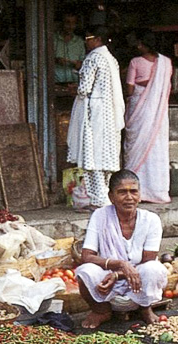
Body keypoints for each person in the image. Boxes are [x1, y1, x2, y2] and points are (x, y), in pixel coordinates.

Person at [75, 169, 169, 329]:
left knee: (153, 269)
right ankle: (101, 311)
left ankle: (145, 308)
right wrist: (120, 265)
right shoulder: (100, 216)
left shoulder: (151, 220)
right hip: (106, 281)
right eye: (122, 192)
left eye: (133, 191)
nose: (129, 197)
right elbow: (87, 256)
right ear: (111, 197)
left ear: (139, 195)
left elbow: (148, 260)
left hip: (137, 279)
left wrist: (118, 275)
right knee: (85, 271)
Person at [67, 25, 126, 210]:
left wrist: (73, 89)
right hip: (109, 113)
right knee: (105, 158)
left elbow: (84, 88)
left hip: (94, 113)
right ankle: (104, 196)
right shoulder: (111, 59)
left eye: (88, 37)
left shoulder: (93, 58)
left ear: (98, 39)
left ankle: (98, 199)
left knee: (91, 157)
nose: (86, 41)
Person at [123, 30, 172, 204]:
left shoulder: (135, 62)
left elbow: (129, 89)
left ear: (144, 45)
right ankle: (157, 190)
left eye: (139, 43)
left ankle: (135, 189)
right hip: (158, 112)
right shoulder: (166, 63)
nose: (137, 46)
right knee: (156, 147)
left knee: (136, 144)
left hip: (139, 109)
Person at [54, 12, 86, 85]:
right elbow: (43, 59)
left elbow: (84, 64)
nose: (70, 26)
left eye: (73, 23)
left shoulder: (79, 42)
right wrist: (56, 60)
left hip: (74, 84)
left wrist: (79, 65)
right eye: (67, 23)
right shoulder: (53, 40)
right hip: (55, 83)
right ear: (62, 23)